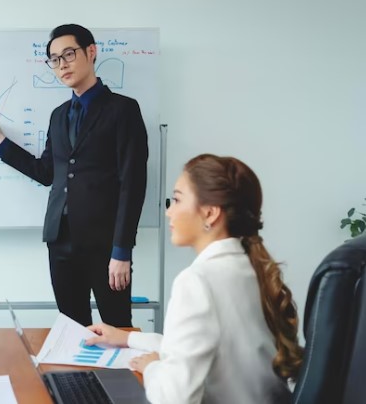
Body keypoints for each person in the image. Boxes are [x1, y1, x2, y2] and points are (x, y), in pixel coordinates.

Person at [86, 154, 304, 403]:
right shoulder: (250, 268)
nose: (169, 212)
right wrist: (127, 338)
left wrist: (153, 368)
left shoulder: (197, 281)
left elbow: (173, 398)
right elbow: (194, 347)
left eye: (177, 200)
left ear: (210, 213)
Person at [0, 24, 148, 327]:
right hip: (60, 240)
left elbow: (133, 184)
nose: (62, 65)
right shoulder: (59, 115)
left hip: (105, 243)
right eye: (55, 60)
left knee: (117, 327)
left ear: (91, 52)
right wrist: (1, 143)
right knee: (71, 330)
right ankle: (76, 378)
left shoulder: (122, 110)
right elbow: (47, 173)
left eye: (68, 54)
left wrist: (122, 251)